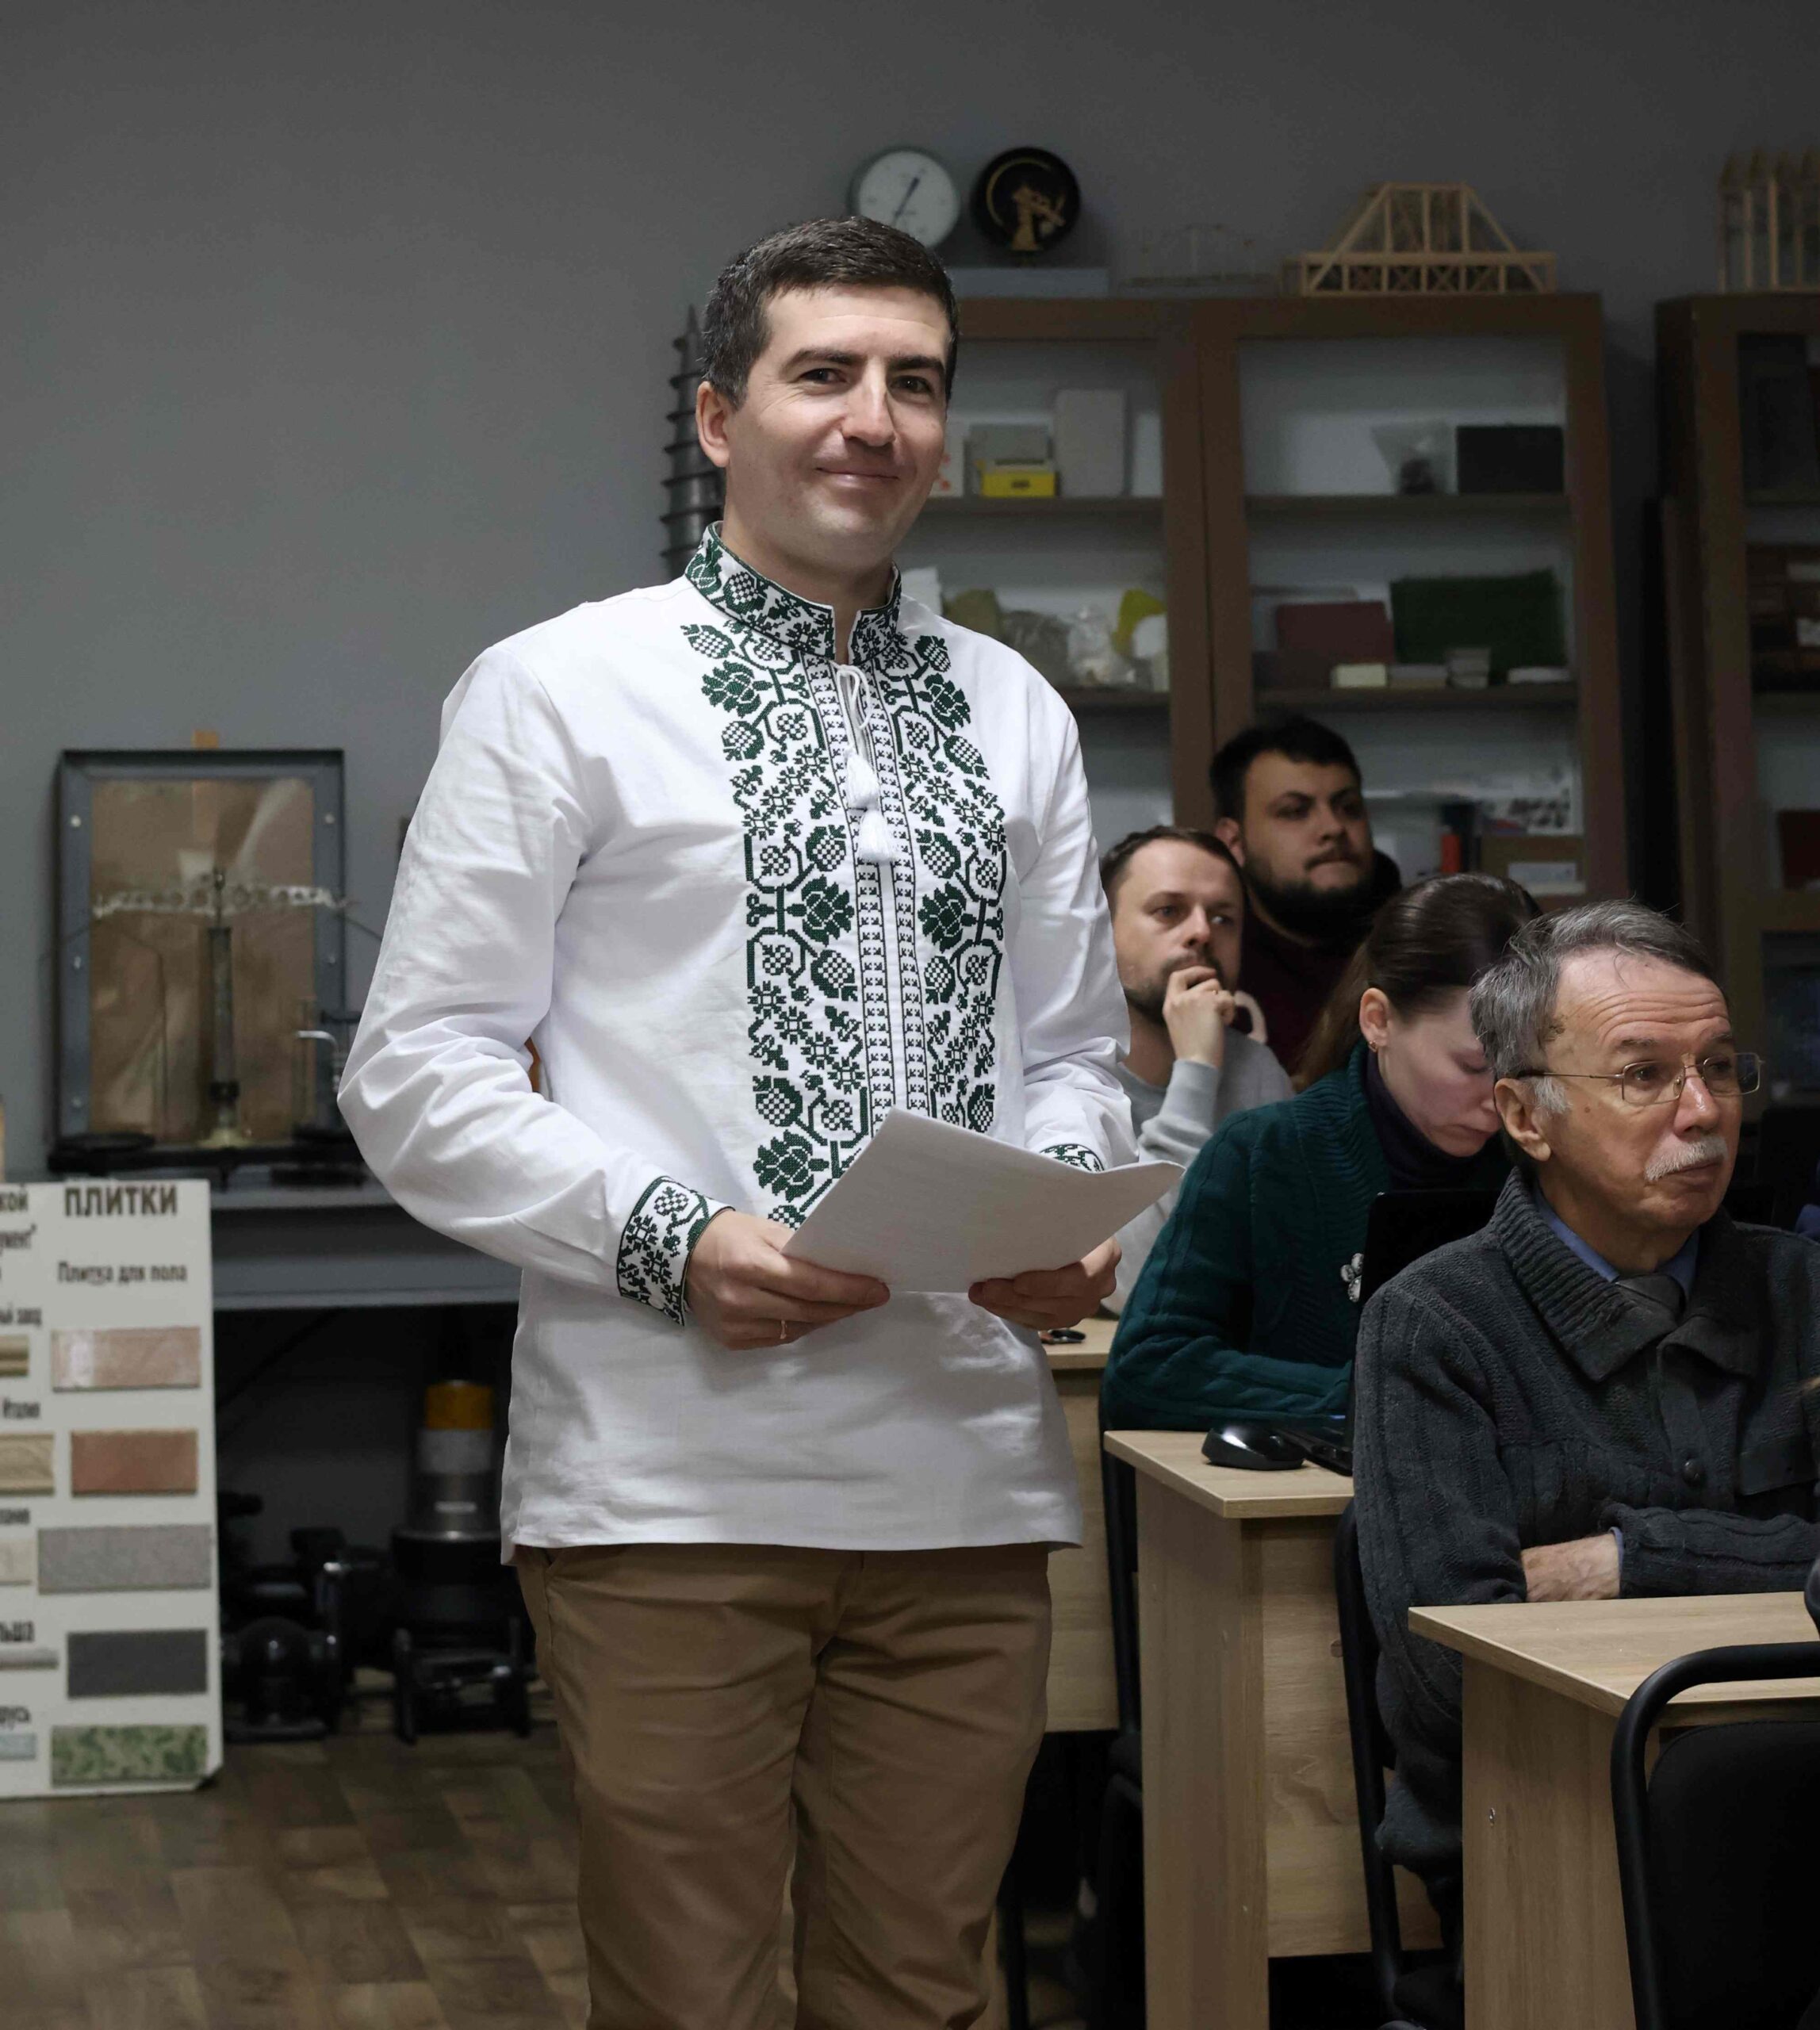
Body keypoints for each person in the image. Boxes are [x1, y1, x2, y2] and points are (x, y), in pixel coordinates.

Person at [339, 216, 1134, 2030]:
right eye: (822, 373)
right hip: (668, 1481)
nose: (873, 418)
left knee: (924, 1991)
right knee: (688, 1997)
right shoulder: (559, 686)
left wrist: (1077, 1213)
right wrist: (670, 1236)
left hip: (963, 1477)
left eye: (913, 382)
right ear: (717, 418)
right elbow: (419, 1066)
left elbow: (1077, 1054)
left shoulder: (1012, 707)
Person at [1354, 900, 1820, 1941]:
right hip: (1546, 1831)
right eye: (1643, 1074)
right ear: (1525, 1115)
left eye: (1718, 1068)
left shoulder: (1804, 1287)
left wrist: (1622, 1562)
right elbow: (1450, 1675)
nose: (1701, 1111)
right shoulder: (1434, 1323)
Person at [1102, 874, 1533, 1431]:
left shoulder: (1544, 1158)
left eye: (1526, 1071)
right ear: (1378, 1020)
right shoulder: (1262, 1154)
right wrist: (1376, 1393)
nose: (1500, 1101)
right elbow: (1147, 1370)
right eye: (1473, 1066)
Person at [1100, 824, 1292, 1314]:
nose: (1203, 932)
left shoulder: (1257, 1072)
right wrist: (1197, 1069)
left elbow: (1283, 1272)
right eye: (1168, 911)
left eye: (1224, 918)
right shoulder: (1068, 1075)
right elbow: (1129, 1284)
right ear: (1102, 930)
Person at [1209, 714, 1400, 1077]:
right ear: (1234, 841)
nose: (1333, 828)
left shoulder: (1421, 946)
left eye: (1349, 808)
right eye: (1295, 812)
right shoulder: (1209, 958)